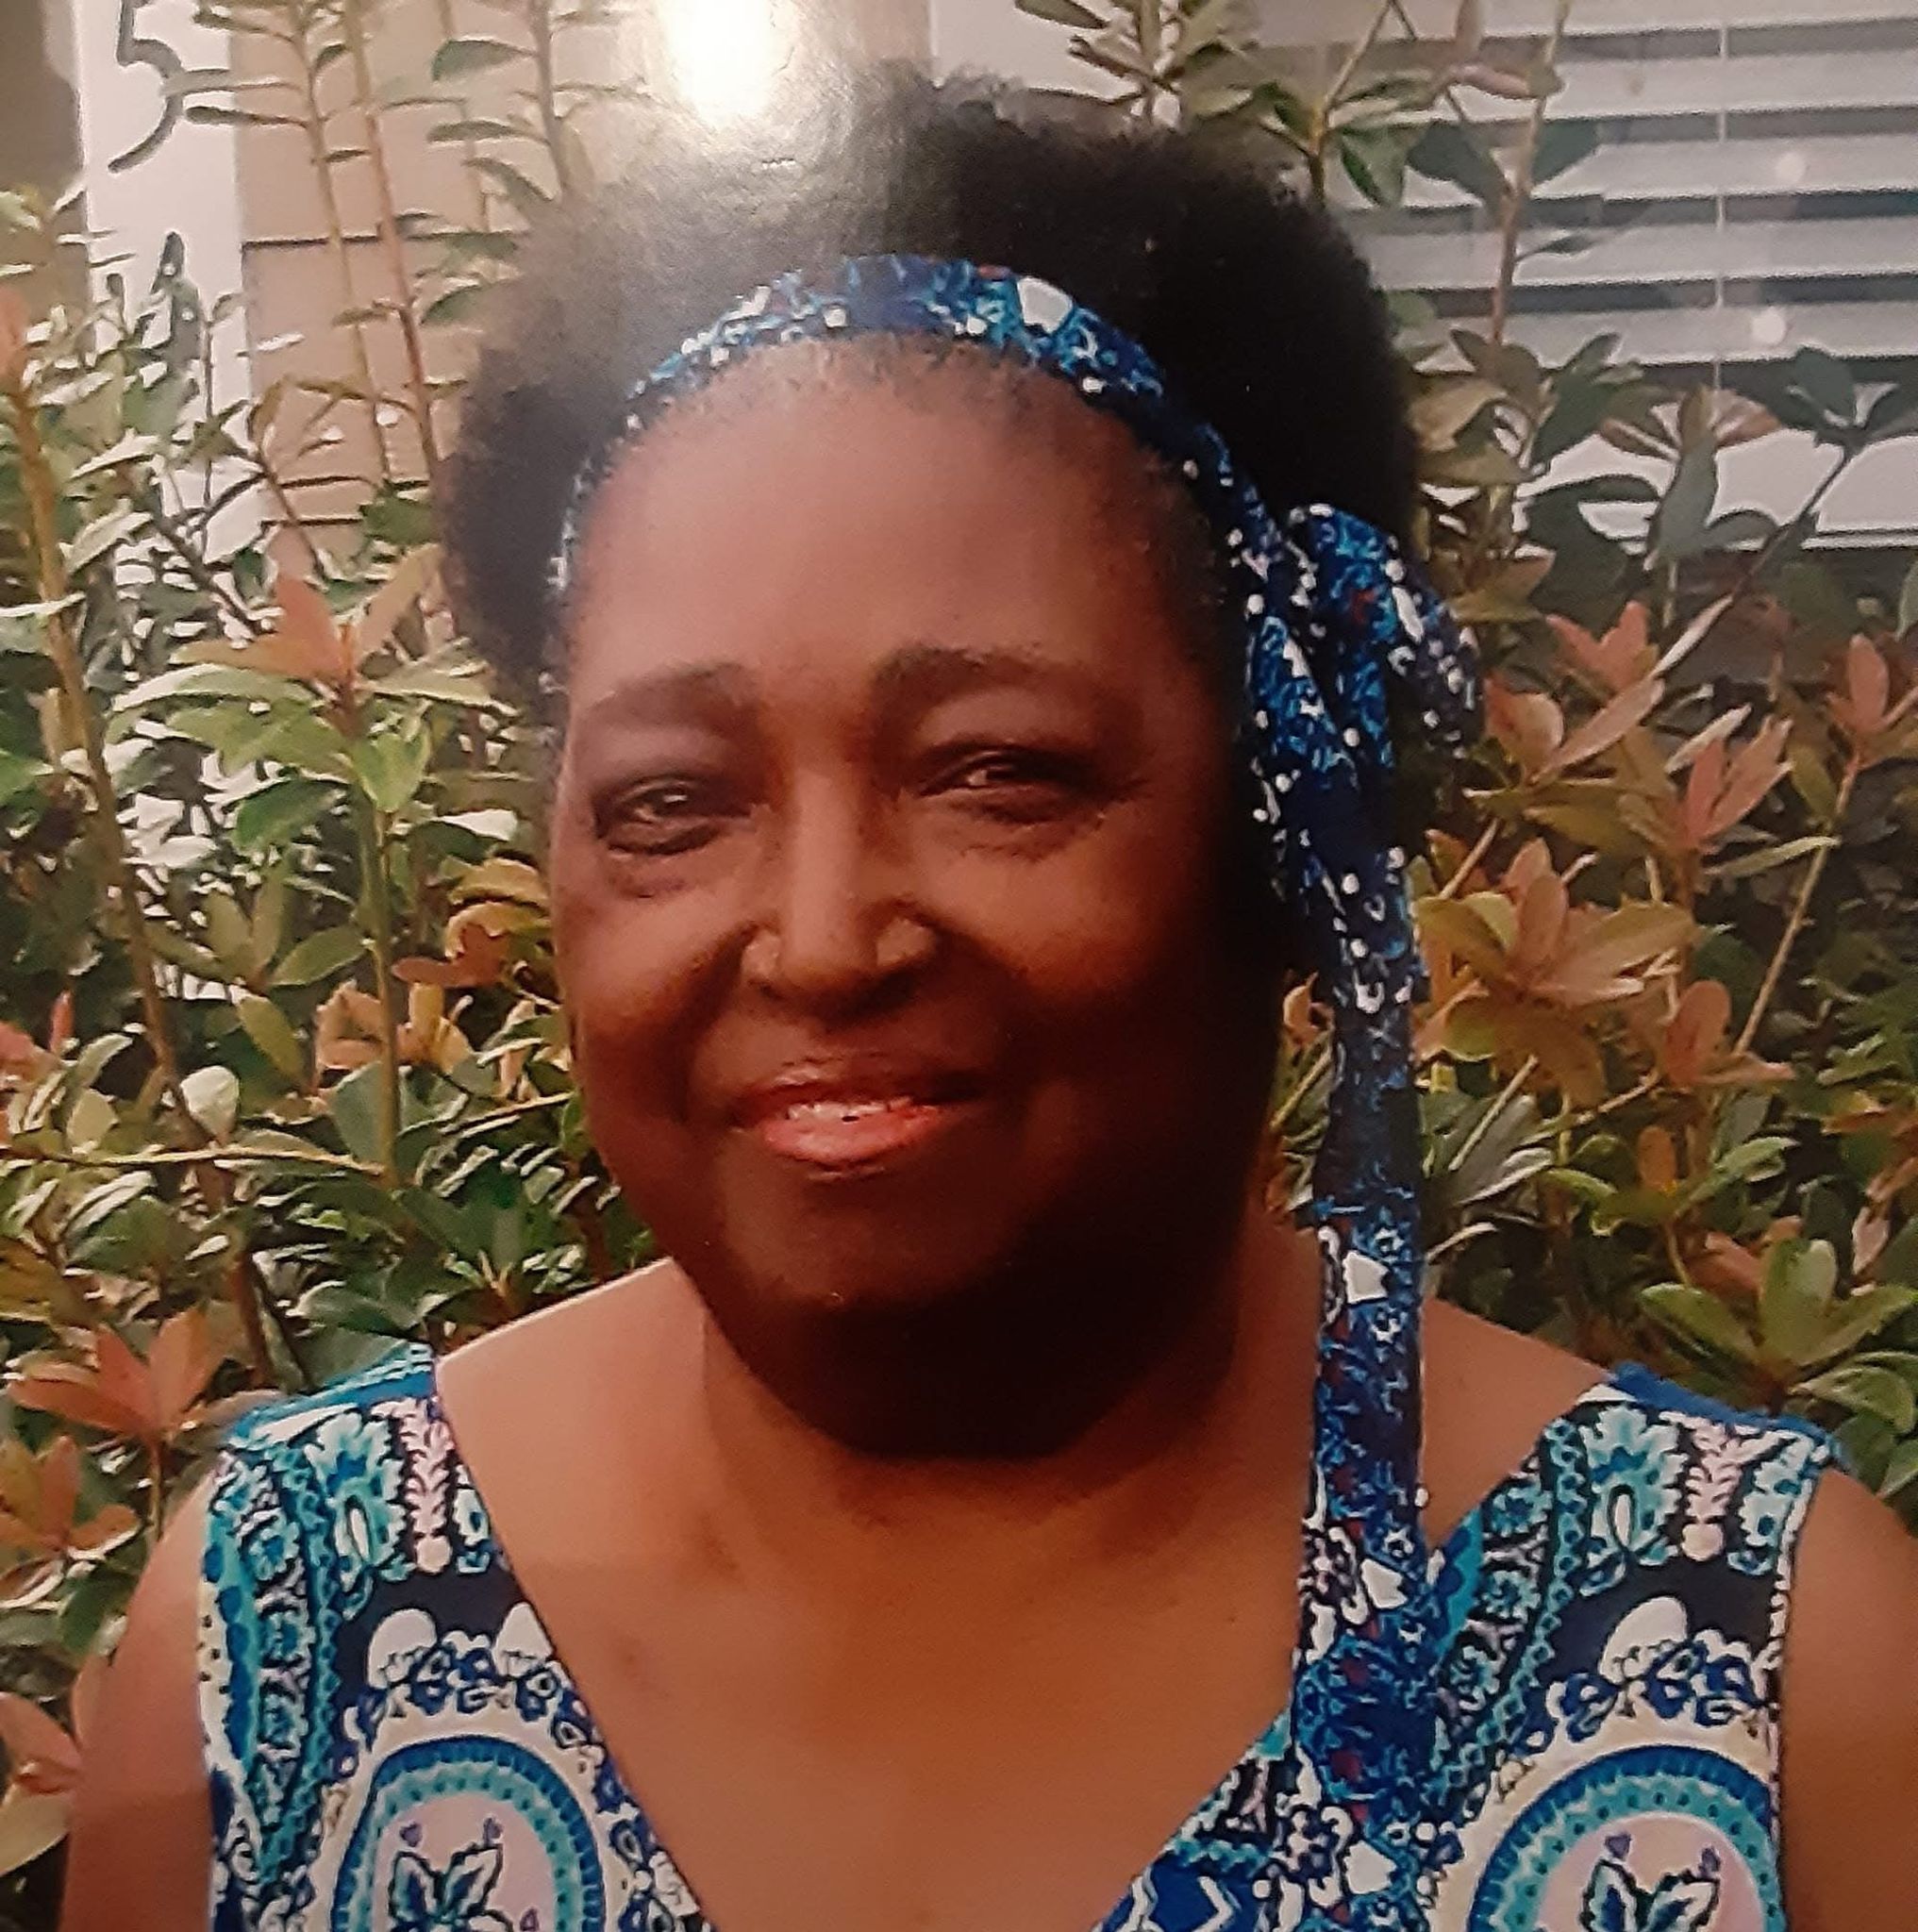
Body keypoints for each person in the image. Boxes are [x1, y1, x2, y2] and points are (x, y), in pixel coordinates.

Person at [67, 71, 1916, 1932]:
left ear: (1287, 825)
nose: (819, 940)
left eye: (997, 772)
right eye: (672, 802)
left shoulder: (1767, 1683)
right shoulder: (277, 1647)